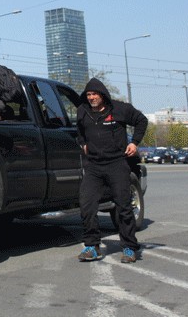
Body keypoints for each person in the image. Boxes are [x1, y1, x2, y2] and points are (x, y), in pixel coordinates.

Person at [76, 77, 148, 264]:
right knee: (87, 205)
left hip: (117, 164)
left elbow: (141, 120)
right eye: (88, 94)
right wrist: (83, 143)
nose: (91, 97)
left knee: (123, 207)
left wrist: (134, 142)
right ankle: (92, 246)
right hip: (94, 166)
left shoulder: (119, 109)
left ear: (102, 95)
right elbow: (79, 131)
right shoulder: (82, 110)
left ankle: (129, 247)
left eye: (94, 94)